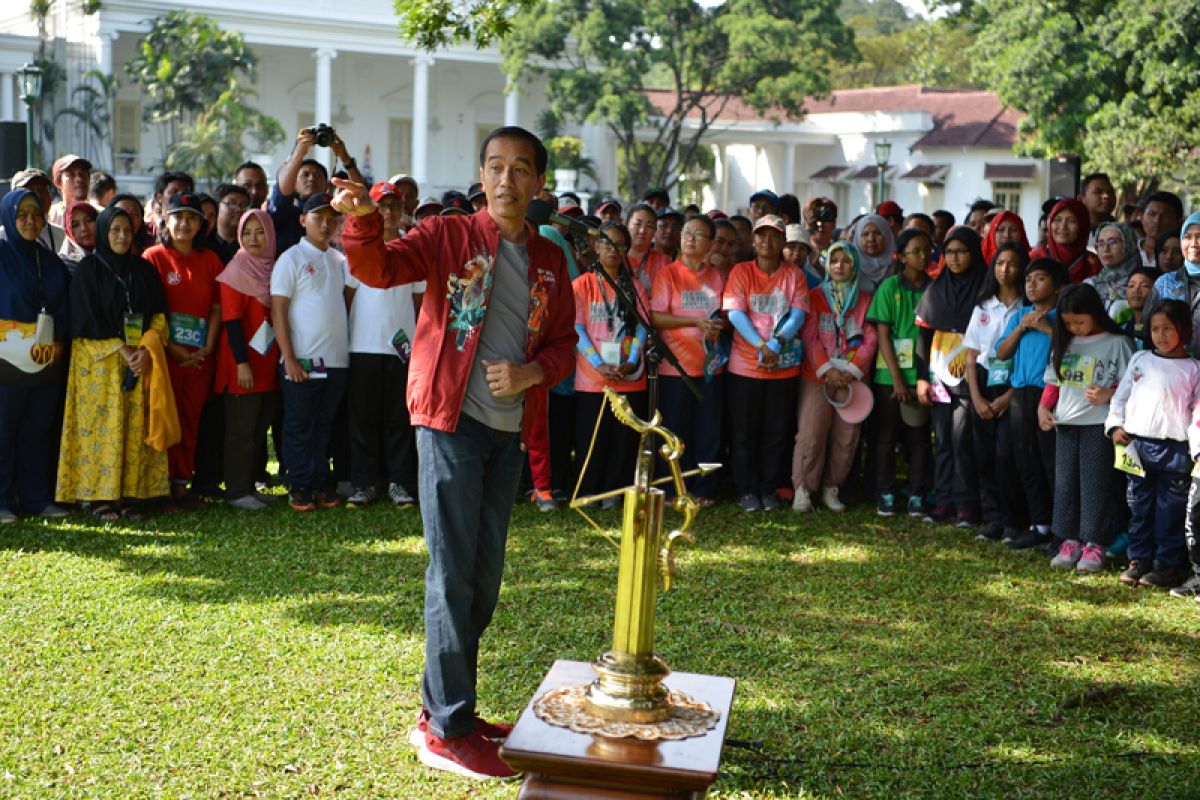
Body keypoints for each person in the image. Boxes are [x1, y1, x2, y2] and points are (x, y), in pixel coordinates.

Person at [337, 126, 576, 780]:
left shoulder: (552, 261)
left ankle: (444, 709)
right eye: (496, 167)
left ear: (537, 183)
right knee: (451, 574)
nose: (506, 180)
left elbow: (563, 345)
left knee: (482, 579)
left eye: (520, 169)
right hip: (447, 422)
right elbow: (379, 267)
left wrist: (531, 374)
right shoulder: (448, 236)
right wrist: (361, 219)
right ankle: (448, 729)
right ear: (482, 174)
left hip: (507, 433)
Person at [56, 206, 172, 519]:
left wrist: (147, 350)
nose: (122, 236)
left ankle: (133, 494)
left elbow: (160, 315)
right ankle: (99, 497)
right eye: (114, 230)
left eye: (126, 230)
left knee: (136, 428)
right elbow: (83, 321)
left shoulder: (144, 270)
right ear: (104, 233)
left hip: (140, 361)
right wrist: (124, 351)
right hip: (100, 366)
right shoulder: (87, 271)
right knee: (101, 431)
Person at [342, 182, 426, 509]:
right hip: (362, 347)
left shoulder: (411, 251)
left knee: (399, 419)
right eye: (381, 206)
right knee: (361, 419)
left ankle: (400, 483)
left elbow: (419, 305)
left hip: (402, 352)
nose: (388, 213)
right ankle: (363, 483)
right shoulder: (359, 250)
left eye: (393, 206)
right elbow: (346, 301)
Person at [1105, 300, 1199, 588]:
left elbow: (1197, 413)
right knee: (1139, 506)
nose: (1160, 335)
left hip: (1175, 450)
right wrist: (1114, 426)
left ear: (1184, 330)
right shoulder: (1140, 360)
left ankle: (1168, 564)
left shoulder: (1193, 368)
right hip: (1138, 446)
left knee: (1170, 510)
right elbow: (1121, 397)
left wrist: (1196, 451)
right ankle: (1139, 559)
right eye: (1155, 329)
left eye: (1168, 329)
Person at [1040, 283, 1133, 571]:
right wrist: (1043, 408)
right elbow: (1054, 382)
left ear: (1094, 313)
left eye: (1080, 321)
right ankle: (1069, 540)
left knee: (1096, 485)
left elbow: (1134, 383)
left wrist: (1109, 393)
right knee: (1066, 484)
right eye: (1068, 323)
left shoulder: (1117, 342)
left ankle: (1095, 543)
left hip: (1098, 424)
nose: (1075, 327)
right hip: (1065, 423)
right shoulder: (1064, 342)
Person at [269, 192, 351, 512]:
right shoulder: (290, 258)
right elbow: (279, 311)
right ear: (303, 220)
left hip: (336, 361)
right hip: (301, 360)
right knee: (300, 425)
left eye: (332, 217)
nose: (326, 223)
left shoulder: (339, 259)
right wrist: (288, 357)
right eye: (318, 217)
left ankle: (319, 482)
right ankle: (300, 485)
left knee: (324, 425)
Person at [143, 192, 223, 509]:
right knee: (165, 417)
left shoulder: (211, 260)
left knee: (191, 420)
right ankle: (158, 485)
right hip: (166, 358)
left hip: (200, 357)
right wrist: (172, 348)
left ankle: (180, 484)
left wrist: (209, 345)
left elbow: (217, 308)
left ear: (200, 224)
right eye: (179, 217)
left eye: (192, 218)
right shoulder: (153, 257)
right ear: (166, 219)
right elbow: (149, 312)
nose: (185, 224)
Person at [723, 214, 807, 512]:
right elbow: (735, 314)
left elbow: (798, 314)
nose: (766, 241)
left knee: (776, 431)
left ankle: (769, 488)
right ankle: (747, 490)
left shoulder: (794, 274)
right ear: (753, 240)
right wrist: (761, 344)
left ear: (783, 241)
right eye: (761, 235)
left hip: (784, 366)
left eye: (774, 236)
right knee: (744, 431)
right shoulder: (740, 272)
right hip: (745, 366)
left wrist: (776, 343)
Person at [0, 189, 71, 523]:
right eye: (22, 214)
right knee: (4, 428)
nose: (30, 221)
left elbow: (65, 306)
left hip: (45, 359)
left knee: (37, 428)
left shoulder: (50, 260)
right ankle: (2, 501)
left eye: (36, 214)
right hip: (6, 361)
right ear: (9, 217)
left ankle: (35, 498)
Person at [793, 241, 877, 513]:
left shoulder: (864, 299)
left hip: (852, 378)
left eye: (846, 261)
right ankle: (803, 489)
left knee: (847, 435)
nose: (840, 266)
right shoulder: (815, 295)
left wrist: (851, 370)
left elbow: (870, 338)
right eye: (835, 261)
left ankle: (832, 487)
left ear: (855, 265)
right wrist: (828, 370)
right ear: (827, 265)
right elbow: (809, 335)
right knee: (811, 432)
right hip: (818, 375)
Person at [650, 214, 727, 505]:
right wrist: (695, 323)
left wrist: (717, 324)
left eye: (698, 234)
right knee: (674, 431)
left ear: (709, 243)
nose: (690, 238)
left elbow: (723, 313)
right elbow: (656, 316)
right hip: (676, 368)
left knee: (707, 430)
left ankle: (704, 489)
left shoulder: (716, 276)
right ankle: (672, 490)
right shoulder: (668, 274)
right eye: (687, 233)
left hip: (710, 368)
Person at [914, 226, 989, 527]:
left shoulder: (985, 288)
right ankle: (944, 500)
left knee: (964, 440)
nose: (955, 259)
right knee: (943, 439)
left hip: (971, 376)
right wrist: (921, 378)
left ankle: (967, 504)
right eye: (949, 252)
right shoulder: (936, 288)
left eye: (961, 251)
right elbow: (923, 334)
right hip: (938, 375)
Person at [572, 221, 648, 504]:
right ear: (596, 247)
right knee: (592, 439)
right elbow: (576, 329)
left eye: (619, 244)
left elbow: (642, 326)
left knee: (622, 441)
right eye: (606, 243)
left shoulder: (635, 286)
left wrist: (630, 361)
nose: (612, 250)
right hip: (593, 379)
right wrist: (598, 364)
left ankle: (615, 493)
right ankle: (590, 491)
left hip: (629, 377)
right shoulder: (582, 285)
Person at [995, 258, 1067, 550]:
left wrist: (1047, 329)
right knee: (1025, 461)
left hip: (1051, 394)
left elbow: (1069, 349)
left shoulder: (1063, 315)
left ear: (1057, 285)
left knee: (1052, 463)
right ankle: (1040, 524)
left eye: (1040, 279)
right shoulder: (1020, 315)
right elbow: (1001, 353)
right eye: (1028, 280)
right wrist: (1021, 329)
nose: (1031, 285)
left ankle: (1061, 529)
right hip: (1021, 395)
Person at [213, 209, 281, 511]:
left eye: (260, 232)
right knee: (240, 431)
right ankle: (237, 491)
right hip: (242, 364)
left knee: (257, 429)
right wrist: (242, 363)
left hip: (267, 361)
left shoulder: (274, 268)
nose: (254, 239)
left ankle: (251, 485)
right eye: (248, 232)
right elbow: (231, 321)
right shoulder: (235, 270)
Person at [963, 242, 1028, 541]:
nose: (1005, 269)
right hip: (983, 380)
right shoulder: (983, 305)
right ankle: (993, 519)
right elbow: (971, 356)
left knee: (1007, 455)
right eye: (1000, 263)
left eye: (1012, 263)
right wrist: (976, 398)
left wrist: (1008, 396)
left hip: (1015, 381)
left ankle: (1013, 520)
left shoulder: (1028, 308)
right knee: (984, 455)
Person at [867, 229, 933, 517]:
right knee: (886, 436)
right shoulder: (889, 287)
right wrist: (896, 379)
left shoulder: (934, 287)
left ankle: (917, 494)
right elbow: (883, 336)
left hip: (922, 376)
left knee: (919, 438)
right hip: (888, 377)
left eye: (926, 250)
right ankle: (885, 492)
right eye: (916, 251)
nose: (922, 256)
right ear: (901, 256)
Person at [1030, 199, 1101, 283]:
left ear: (1082, 226)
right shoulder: (1034, 258)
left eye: (1071, 221)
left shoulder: (1094, 264)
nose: (1063, 226)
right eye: (1057, 220)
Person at [1085, 222, 1140, 323]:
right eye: (1100, 243)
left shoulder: (1143, 284)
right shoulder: (1090, 285)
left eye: (1113, 242)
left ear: (1128, 244)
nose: (1106, 249)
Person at [7, 169, 65, 253]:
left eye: (41, 191)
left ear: (50, 197)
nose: (37, 196)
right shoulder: (3, 237)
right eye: (29, 191)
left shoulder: (62, 236)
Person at [625, 203, 671, 296]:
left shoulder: (664, 263)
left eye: (649, 226)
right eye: (638, 224)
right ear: (626, 225)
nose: (642, 230)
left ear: (654, 230)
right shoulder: (615, 258)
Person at [849, 213, 895, 293]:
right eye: (865, 234)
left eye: (877, 233)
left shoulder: (898, 269)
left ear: (887, 236)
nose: (871, 239)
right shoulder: (849, 268)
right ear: (857, 238)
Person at [1137, 191, 1183, 266]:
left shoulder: (1183, 256)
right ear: (1141, 218)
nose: (1157, 221)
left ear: (1179, 222)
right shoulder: (1127, 250)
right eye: (1152, 214)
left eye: (1166, 216)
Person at [211, 184, 252, 265]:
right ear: (216, 206)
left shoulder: (251, 245)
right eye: (231, 203)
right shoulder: (206, 244)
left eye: (243, 205)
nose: (238, 209)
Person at [49, 154, 91, 227]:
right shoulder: (51, 217)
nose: (79, 179)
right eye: (71, 174)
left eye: (83, 173)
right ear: (58, 183)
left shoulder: (100, 215)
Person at [58, 200, 97, 268]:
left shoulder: (112, 252)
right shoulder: (65, 264)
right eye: (75, 225)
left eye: (89, 220)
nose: (84, 228)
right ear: (68, 231)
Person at [1078, 173, 1116, 237]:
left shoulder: (1126, 232)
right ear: (1081, 200)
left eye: (1110, 192)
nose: (1106, 196)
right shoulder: (1073, 233)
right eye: (1098, 192)